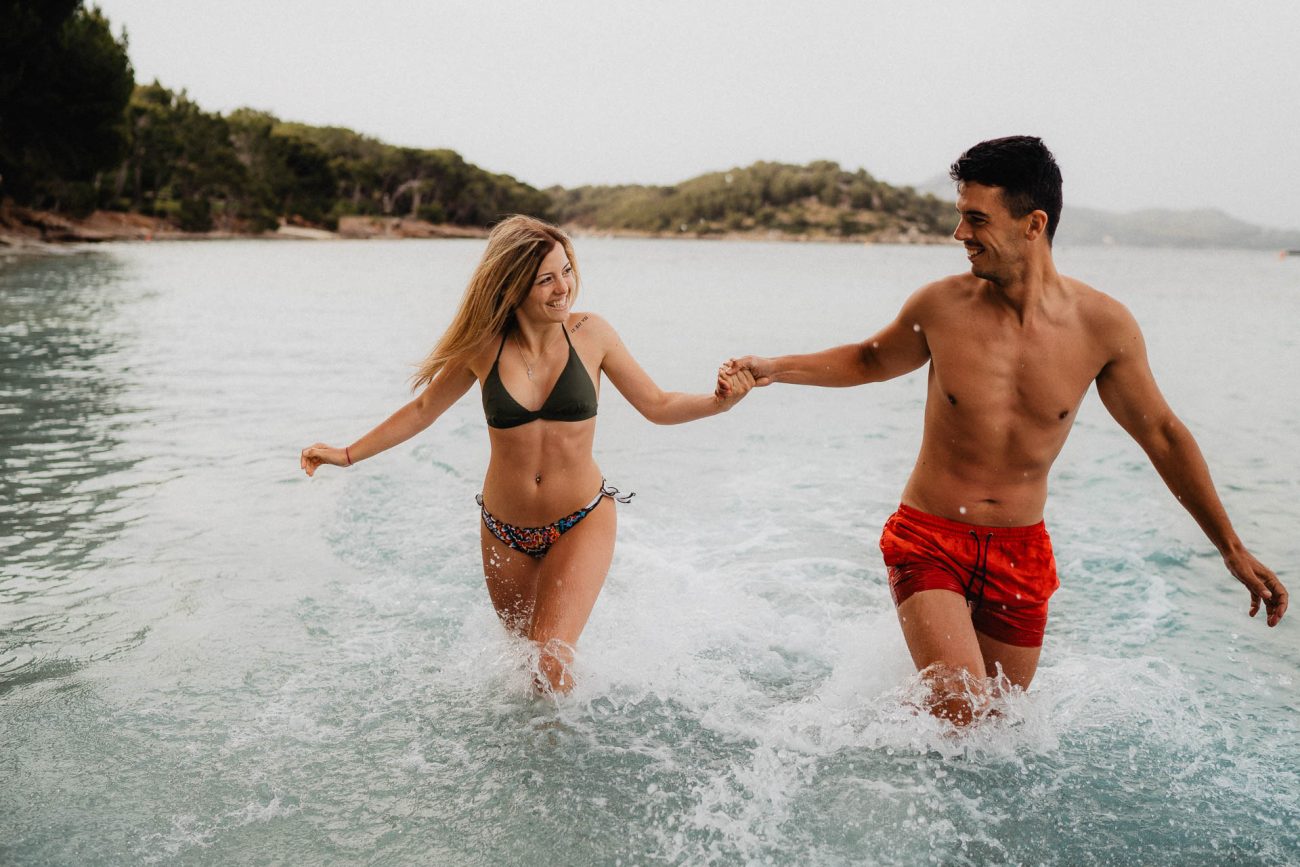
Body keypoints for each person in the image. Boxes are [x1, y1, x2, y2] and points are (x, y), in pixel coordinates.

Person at [725, 136, 1288, 724]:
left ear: (1033, 224)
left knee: (997, 735)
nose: (959, 234)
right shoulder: (941, 306)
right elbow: (869, 360)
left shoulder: (1102, 326)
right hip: (930, 537)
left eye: (975, 219)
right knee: (959, 714)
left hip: (1021, 553)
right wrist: (772, 369)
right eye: (959, 216)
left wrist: (1230, 547)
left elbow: (1163, 435)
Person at [301, 215, 754, 693]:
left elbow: (658, 406)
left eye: (567, 271)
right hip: (503, 530)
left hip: (580, 519)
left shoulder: (592, 334)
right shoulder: (482, 346)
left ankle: (569, 762)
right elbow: (422, 409)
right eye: (546, 279)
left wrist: (720, 402)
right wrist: (346, 454)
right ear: (514, 285)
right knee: (526, 674)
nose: (563, 288)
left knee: (549, 664)